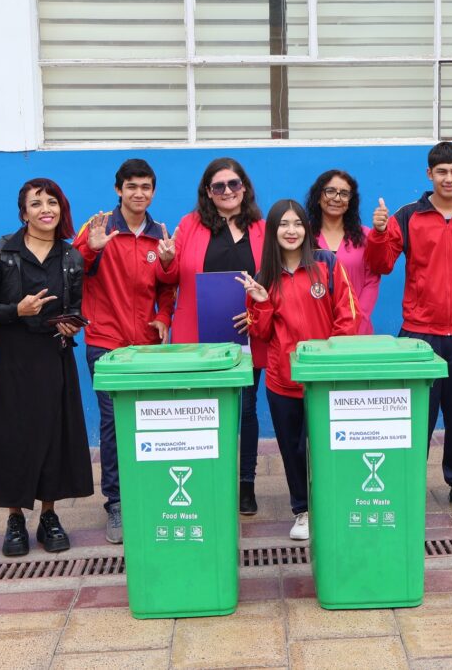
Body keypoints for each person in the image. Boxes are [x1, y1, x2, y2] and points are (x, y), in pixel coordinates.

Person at [365, 141, 452, 515]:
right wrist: (378, 232)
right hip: (418, 335)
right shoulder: (408, 216)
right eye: (441, 171)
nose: (449, 178)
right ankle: (405, 483)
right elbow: (381, 264)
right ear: (429, 175)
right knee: (412, 417)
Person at [0, 178, 94, 557]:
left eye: (52, 203)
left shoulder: (71, 257)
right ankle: (15, 519)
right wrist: (17, 310)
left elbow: (75, 308)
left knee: (53, 433)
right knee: (12, 435)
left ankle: (49, 515)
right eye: (36, 204)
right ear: (24, 212)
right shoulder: (2, 251)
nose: (46, 209)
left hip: (52, 354)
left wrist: (71, 323)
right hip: (10, 357)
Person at [238, 199, 358, 539]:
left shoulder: (327, 264)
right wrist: (261, 303)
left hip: (323, 379)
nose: (291, 231)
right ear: (273, 232)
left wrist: (328, 362)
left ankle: (334, 503)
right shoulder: (264, 277)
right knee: (293, 449)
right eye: (283, 225)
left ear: (307, 229)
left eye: (298, 224)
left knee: (326, 445)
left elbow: (347, 317)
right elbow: (259, 333)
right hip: (282, 380)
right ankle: (302, 511)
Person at [74, 158, 176, 544]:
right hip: (105, 343)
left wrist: (164, 315)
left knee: (149, 420)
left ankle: (148, 490)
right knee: (113, 423)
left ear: (153, 191)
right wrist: (89, 250)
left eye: (146, 187)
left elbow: (168, 287)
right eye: (131, 186)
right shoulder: (98, 229)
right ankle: (116, 503)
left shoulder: (159, 237)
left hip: (147, 345)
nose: (139, 194)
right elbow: (71, 271)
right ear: (119, 190)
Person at [161, 157, 266, 516]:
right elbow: (172, 275)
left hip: (248, 333)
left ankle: (245, 484)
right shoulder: (189, 225)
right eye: (218, 186)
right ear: (208, 192)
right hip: (197, 335)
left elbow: (272, 281)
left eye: (233, 184)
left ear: (244, 188)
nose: (227, 191)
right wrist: (166, 259)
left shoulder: (262, 228)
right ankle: (204, 480)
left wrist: (257, 312)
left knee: (247, 409)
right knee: (201, 409)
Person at [304, 170, 381, 333]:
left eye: (344, 193)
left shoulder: (366, 236)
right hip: (313, 328)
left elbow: (372, 281)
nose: (337, 198)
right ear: (318, 196)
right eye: (330, 191)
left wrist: (357, 320)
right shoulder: (303, 237)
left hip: (357, 330)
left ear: (350, 201)